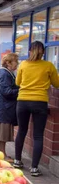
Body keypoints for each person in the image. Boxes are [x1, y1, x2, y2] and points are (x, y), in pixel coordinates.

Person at [14, 41, 59, 176]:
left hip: (23, 101)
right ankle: (34, 168)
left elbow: (17, 83)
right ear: (43, 52)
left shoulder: (23, 65)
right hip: (40, 102)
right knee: (38, 135)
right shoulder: (49, 66)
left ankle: (17, 160)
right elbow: (56, 84)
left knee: (22, 131)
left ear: (29, 51)